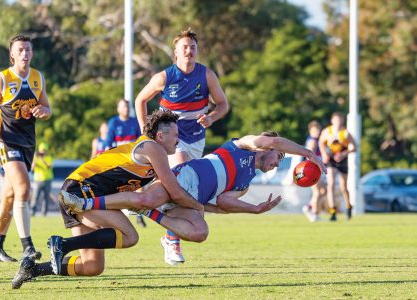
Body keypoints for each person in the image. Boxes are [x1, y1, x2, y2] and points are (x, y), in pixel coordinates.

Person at [57, 131, 326, 266]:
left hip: (192, 199)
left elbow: (222, 204)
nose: (277, 163)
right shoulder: (243, 144)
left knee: (200, 232)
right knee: (146, 199)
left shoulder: (245, 182)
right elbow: (277, 144)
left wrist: (254, 209)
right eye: (278, 158)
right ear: (266, 144)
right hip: (187, 178)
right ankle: (87, 204)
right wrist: (307, 154)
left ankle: (149, 214)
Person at [11, 109, 203, 289]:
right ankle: (62, 245)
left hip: (78, 192)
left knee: (92, 266)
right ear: (160, 136)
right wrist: (198, 206)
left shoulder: (150, 150)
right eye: (176, 135)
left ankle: (32, 269)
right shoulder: (154, 148)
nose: (179, 140)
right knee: (130, 237)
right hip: (81, 191)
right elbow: (174, 191)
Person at [134, 28, 229, 263]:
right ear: (175, 52)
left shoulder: (206, 75)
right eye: (184, 47)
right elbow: (140, 100)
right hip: (172, 139)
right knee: (182, 173)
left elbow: (223, 105)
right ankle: (172, 239)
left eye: (193, 47)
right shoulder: (164, 77)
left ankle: (165, 230)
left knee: (189, 190)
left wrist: (212, 117)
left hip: (197, 138)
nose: (189, 50)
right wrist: (145, 131)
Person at [0, 34, 51, 262]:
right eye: (20, 49)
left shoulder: (38, 78)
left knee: (10, 195)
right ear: (12, 54)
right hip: (7, 141)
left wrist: (44, 112)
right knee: (23, 188)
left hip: (28, 143)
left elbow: (47, 107)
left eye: (28, 49)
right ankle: (28, 246)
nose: (25, 53)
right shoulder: (1, 80)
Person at [106, 99, 145, 226]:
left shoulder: (134, 122)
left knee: (139, 186)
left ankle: (140, 215)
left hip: (134, 160)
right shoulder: (113, 122)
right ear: (118, 109)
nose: (126, 109)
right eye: (123, 107)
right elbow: (109, 144)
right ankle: (115, 216)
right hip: (119, 161)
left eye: (127, 107)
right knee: (117, 189)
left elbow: (141, 140)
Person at [319, 112, 356, 221]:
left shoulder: (345, 133)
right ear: (332, 120)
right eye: (336, 120)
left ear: (342, 121)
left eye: (340, 120)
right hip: (331, 160)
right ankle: (333, 211)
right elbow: (321, 143)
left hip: (342, 160)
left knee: (343, 187)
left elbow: (354, 147)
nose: (338, 122)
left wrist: (344, 154)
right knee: (330, 184)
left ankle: (348, 206)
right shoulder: (327, 131)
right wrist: (324, 154)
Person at [302, 121, 327, 222]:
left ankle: (309, 207)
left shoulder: (315, 140)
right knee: (318, 192)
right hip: (311, 169)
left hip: (314, 169)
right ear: (310, 131)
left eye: (318, 130)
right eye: (315, 130)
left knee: (323, 191)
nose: (317, 132)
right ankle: (314, 214)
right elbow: (310, 155)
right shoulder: (313, 141)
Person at [30, 142, 53, 216]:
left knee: (45, 197)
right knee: (35, 196)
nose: (43, 152)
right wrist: (35, 159)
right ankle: (32, 212)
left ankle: (44, 213)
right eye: (42, 150)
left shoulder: (49, 157)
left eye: (44, 150)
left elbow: (49, 166)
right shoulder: (36, 157)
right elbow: (32, 168)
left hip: (47, 180)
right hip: (38, 180)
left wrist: (42, 159)